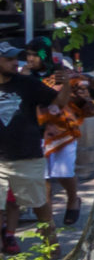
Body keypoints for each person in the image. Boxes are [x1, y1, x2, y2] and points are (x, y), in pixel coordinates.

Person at [0, 45, 60, 246]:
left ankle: (51, 245)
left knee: (39, 204)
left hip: (27, 155)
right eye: (9, 59)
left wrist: (66, 83)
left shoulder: (28, 83)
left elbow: (58, 101)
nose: (16, 62)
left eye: (16, 58)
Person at [39, 70, 93, 227]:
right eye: (28, 54)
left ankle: (73, 198)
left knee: (64, 173)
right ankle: (47, 224)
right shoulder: (23, 75)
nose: (31, 58)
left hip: (64, 132)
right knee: (43, 178)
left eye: (36, 54)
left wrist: (74, 86)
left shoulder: (68, 75)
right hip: (37, 129)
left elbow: (85, 99)